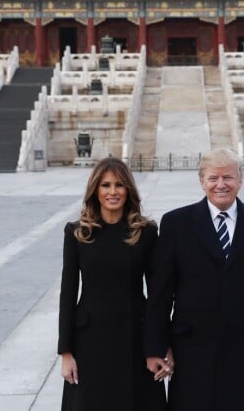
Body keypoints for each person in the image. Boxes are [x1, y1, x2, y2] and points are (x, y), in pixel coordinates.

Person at [144, 148, 244, 411]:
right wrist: (156, 346)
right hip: (191, 347)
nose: (221, 185)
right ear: (201, 181)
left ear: (240, 180)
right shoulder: (176, 223)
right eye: (213, 178)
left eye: (228, 178)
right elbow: (160, 293)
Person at [58, 157, 169, 411]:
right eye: (105, 185)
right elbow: (68, 294)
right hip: (89, 341)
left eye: (119, 185)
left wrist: (158, 346)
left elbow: (157, 296)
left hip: (135, 338)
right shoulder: (77, 232)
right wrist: (66, 352)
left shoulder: (146, 232)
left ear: (128, 189)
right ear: (95, 190)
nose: (113, 192)